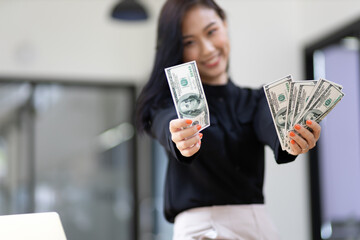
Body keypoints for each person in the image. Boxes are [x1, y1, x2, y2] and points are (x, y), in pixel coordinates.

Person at [135, 0, 321, 239]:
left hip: (256, 226)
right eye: (189, 42)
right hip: (201, 230)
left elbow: (274, 128)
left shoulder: (257, 100)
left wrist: (292, 140)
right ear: (176, 49)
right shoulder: (168, 105)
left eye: (211, 31)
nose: (207, 49)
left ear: (225, 24)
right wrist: (180, 138)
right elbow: (167, 123)